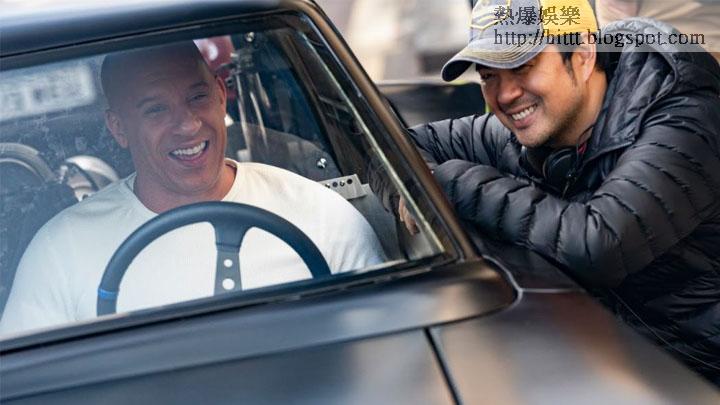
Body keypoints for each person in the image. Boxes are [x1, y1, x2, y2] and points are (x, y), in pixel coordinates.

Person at [396, 0, 720, 384]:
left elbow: (600, 244)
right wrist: (415, 184)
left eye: (523, 66)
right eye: (489, 76)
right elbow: (390, 147)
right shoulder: (529, 128)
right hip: (620, 359)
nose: (505, 95)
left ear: (582, 54)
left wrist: (450, 183)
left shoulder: (683, 117)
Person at [0, 42, 385, 335]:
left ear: (219, 94)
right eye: (156, 109)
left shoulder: (319, 214)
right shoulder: (60, 251)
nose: (187, 125)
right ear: (118, 127)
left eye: (197, 97)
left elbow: (384, 347)